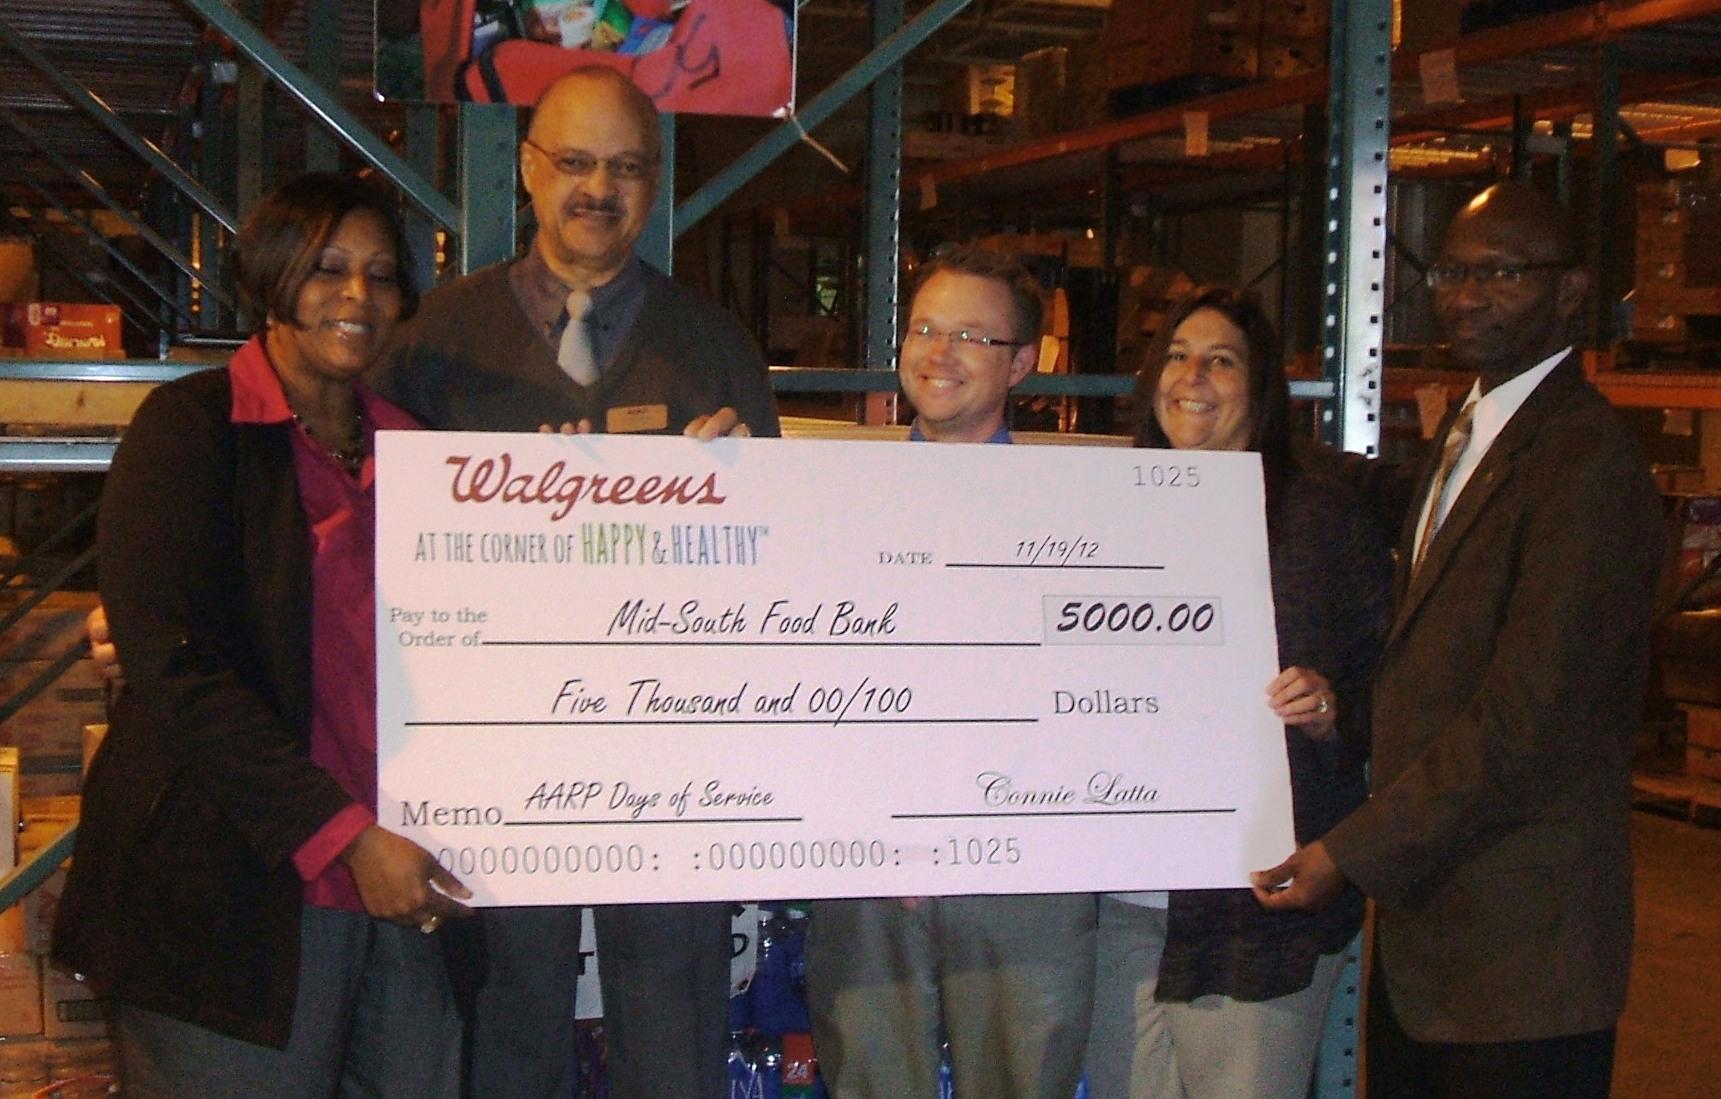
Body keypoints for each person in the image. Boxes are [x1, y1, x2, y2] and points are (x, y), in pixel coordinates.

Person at [372, 65, 779, 1099]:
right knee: (503, 1035)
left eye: (628, 167)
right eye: (575, 161)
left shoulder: (715, 348)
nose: (599, 187)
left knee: (671, 1037)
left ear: (654, 185)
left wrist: (739, 499)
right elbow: (361, 547)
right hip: (491, 771)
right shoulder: (428, 348)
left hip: (669, 768)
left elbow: (779, 566)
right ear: (526, 169)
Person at [52, 173, 472, 1098]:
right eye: (325, 268)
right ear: (272, 277)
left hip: (403, 888)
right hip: (232, 890)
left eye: (379, 274)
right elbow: (174, 664)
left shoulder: (423, 453)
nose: (356, 296)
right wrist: (342, 836)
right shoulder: (192, 430)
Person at [1252, 182, 1664, 1099]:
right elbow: (1434, 659)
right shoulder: (1473, 430)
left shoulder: (1584, 466)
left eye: (1500, 274)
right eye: (1448, 272)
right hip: (1439, 949)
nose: (1463, 296)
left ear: (1569, 291)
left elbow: (1527, 721)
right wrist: (1341, 717)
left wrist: (1344, 854)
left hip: (1521, 962)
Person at [803, 245, 1099, 1099]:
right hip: (861, 875)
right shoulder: (822, 500)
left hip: (1022, 880)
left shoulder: (1087, 517)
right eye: (925, 328)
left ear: (1022, 363)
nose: (938, 352)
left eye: (970, 334)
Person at [1080, 287, 1390, 1099]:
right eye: (1177, 355)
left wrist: (1330, 710)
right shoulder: (1096, 512)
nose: (1195, 376)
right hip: (1121, 900)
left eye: (1222, 359)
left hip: (1254, 911)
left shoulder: (1323, 520)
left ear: (1259, 388)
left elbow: (1390, 682)